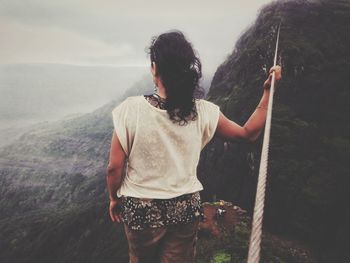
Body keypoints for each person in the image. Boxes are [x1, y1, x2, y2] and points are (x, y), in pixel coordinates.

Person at [106, 29, 282, 263]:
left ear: (155, 69)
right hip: (185, 208)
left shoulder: (130, 109)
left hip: (142, 209)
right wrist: (268, 92)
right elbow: (247, 134)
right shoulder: (204, 112)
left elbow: (114, 168)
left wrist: (114, 198)